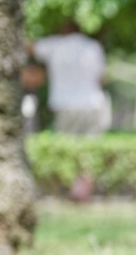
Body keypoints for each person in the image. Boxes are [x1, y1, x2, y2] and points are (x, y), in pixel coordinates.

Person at [28, 21, 111, 201]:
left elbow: (30, 47)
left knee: (66, 149)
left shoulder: (56, 45)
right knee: (89, 149)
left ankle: (69, 189)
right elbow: (101, 77)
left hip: (64, 105)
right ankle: (84, 193)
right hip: (91, 104)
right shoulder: (93, 46)